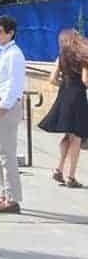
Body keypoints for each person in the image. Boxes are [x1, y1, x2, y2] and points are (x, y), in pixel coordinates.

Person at [38, 28, 88, 188]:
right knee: (77, 136)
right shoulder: (83, 58)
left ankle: (58, 169)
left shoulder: (61, 57)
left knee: (68, 135)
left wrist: (65, 85)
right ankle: (71, 177)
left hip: (64, 96)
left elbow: (52, 79)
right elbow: (85, 80)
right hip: (78, 97)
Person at [0, 14, 26, 214]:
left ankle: (12, 199)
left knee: (6, 154)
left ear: (10, 32)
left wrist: (5, 104)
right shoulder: (3, 52)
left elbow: (15, 82)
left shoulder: (14, 54)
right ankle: (4, 192)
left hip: (7, 108)